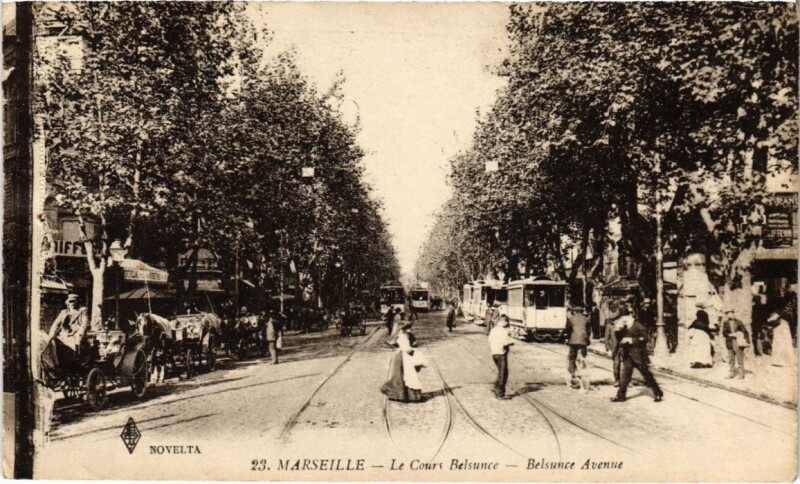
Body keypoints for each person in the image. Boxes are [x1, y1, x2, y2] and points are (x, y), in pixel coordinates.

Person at [611, 305, 663, 403]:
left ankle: (657, 392)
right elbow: (619, 339)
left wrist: (632, 340)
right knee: (625, 376)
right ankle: (620, 396)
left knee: (647, 375)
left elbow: (645, 338)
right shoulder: (623, 327)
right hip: (628, 355)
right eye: (622, 318)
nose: (623, 320)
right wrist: (617, 331)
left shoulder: (638, 325)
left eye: (624, 318)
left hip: (639, 355)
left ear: (629, 317)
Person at [42, 293, 96, 372]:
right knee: (53, 344)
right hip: (65, 336)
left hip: (77, 335)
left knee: (76, 345)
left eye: (74, 301)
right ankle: (56, 366)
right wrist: (51, 336)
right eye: (70, 301)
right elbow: (55, 324)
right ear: (67, 302)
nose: (72, 303)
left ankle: (76, 361)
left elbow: (84, 324)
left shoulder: (82, 310)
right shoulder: (63, 312)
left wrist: (79, 335)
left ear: (78, 301)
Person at [381, 320, 424, 402]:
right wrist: (416, 354)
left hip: (403, 356)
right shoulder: (402, 336)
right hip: (403, 357)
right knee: (404, 375)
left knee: (404, 375)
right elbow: (406, 349)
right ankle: (402, 395)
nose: (410, 329)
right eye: (408, 328)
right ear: (404, 329)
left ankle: (405, 395)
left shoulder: (405, 335)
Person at [488, 315, 515, 400]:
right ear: (504, 322)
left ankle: (496, 388)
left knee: (500, 372)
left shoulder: (493, 330)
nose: (507, 324)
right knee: (503, 373)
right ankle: (500, 394)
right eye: (506, 322)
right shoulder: (503, 331)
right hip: (501, 354)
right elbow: (504, 343)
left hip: (494, 353)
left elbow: (489, 341)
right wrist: (511, 342)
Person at [566, 306, 590, 389]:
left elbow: (568, 330)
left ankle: (572, 372)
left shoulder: (571, 319)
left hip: (573, 340)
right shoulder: (586, 319)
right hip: (583, 341)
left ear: (575, 311)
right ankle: (583, 367)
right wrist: (587, 339)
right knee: (583, 356)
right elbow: (588, 330)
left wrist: (567, 339)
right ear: (582, 311)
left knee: (572, 357)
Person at [722, 309, 750, 379]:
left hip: (738, 342)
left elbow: (745, 332)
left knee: (739, 358)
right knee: (731, 358)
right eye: (730, 313)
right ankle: (731, 373)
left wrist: (746, 340)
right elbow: (724, 333)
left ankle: (741, 374)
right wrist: (730, 335)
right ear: (727, 315)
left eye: (732, 313)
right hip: (729, 342)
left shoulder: (739, 322)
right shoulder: (725, 323)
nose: (732, 314)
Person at [604, 303, 622, 387]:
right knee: (616, 364)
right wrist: (607, 346)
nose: (613, 320)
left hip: (624, 346)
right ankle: (617, 380)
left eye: (615, 319)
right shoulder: (609, 326)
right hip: (615, 348)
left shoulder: (622, 324)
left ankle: (626, 380)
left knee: (627, 364)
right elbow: (606, 337)